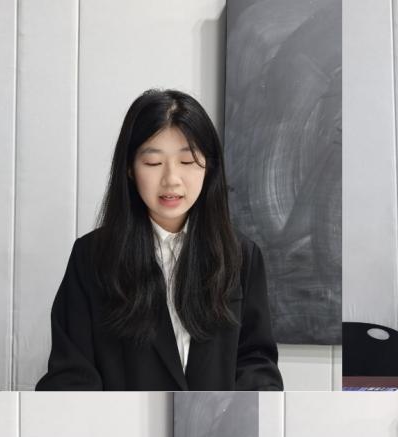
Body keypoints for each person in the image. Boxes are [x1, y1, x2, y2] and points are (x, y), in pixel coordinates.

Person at [37, 89, 283, 391]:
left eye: (188, 161)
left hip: (217, 422)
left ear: (209, 167)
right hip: (119, 423)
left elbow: (256, 363)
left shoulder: (241, 255)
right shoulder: (92, 257)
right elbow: (70, 374)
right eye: (153, 163)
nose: (171, 180)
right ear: (129, 168)